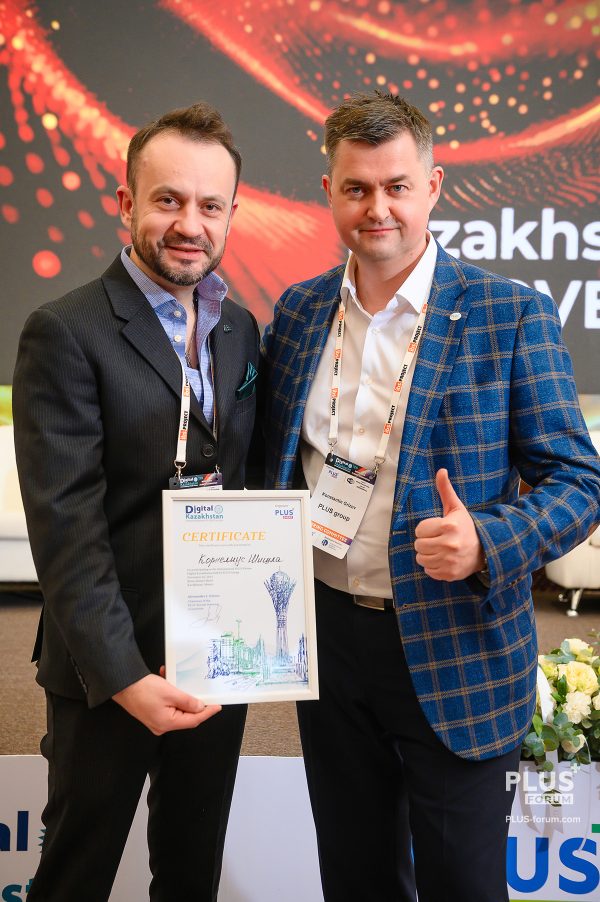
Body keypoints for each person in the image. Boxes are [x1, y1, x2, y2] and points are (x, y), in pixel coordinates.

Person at [260, 91, 600, 902]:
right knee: (356, 877)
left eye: (397, 186)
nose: (377, 208)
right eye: (356, 188)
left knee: (463, 886)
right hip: (330, 643)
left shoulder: (510, 314)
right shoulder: (300, 312)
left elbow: (580, 482)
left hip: (457, 646)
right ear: (330, 191)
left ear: (434, 187)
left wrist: (488, 539)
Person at [13, 102, 260, 902]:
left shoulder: (239, 329)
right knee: (74, 876)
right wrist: (126, 678)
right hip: (106, 667)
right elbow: (67, 529)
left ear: (232, 213)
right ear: (126, 203)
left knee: (191, 873)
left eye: (210, 205)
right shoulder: (65, 330)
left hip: (218, 658)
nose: (190, 224)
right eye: (168, 200)